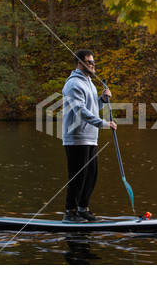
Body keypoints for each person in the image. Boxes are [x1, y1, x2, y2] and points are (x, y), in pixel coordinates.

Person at [61, 49, 117, 223]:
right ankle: (70, 213)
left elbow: (92, 107)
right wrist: (103, 123)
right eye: (90, 62)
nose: (93, 65)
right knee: (78, 176)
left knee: (91, 175)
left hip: (91, 137)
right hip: (76, 137)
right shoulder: (73, 84)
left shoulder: (90, 83)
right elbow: (80, 110)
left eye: (94, 62)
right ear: (80, 63)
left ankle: (83, 210)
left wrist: (102, 99)